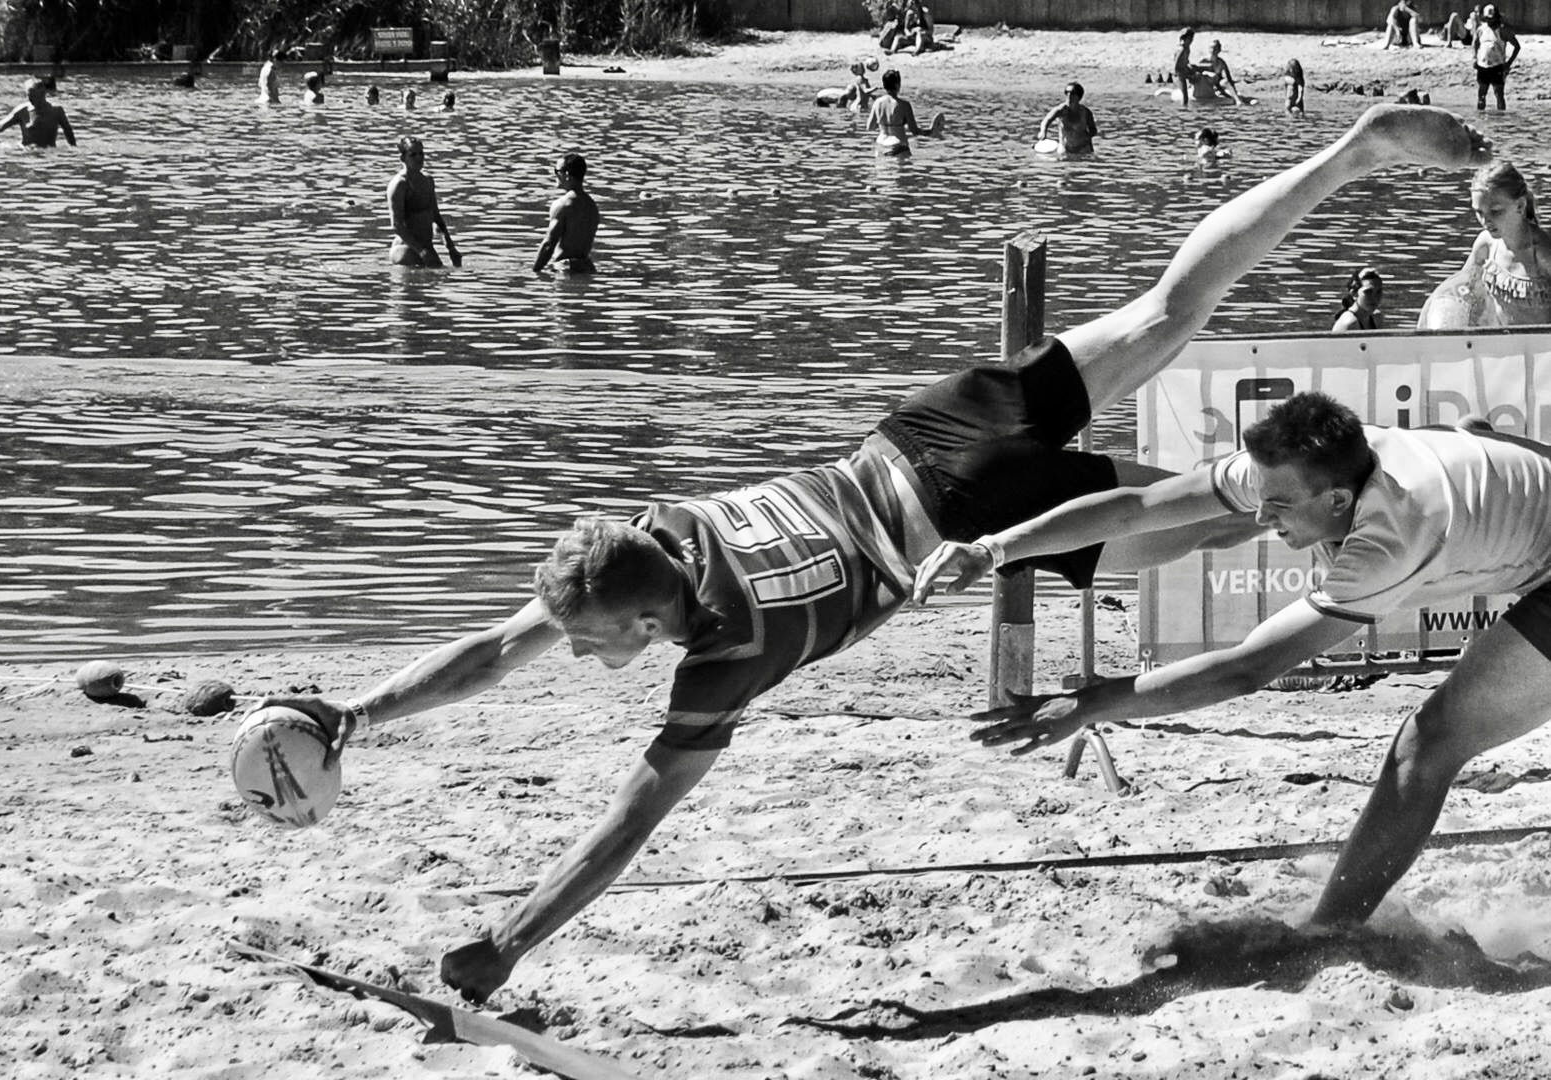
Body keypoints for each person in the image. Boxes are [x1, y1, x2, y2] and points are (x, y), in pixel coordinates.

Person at [256, 105, 1490, 1005]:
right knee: (1171, 312)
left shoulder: (727, 656)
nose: (571, 653)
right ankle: (1352, 156)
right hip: (924, 424)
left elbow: (625, 829)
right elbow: (497, 642)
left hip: (957, 513)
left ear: (644, 624)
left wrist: (510, 941)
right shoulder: (657, 534)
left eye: (586, 643)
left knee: (1229, 516)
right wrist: (353, 713)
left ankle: (1410, 470)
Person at [913, 385, 1551, 932]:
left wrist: (1091, 701)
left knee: (1428, 744)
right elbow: (1137, 510)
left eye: (1278, 508)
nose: (1263, 517)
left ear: (1335, 501)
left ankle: (1330, 934)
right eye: (1261, 499)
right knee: (1469, 434)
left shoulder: (1391, 539)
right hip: (1520, 515)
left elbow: (1249, 670)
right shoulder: (1294, 471)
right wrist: (993, 549)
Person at [1418, 162, 1551, 328]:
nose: (1486, 221)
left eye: (1495, 211)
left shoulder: (1543, 252)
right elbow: (1462, 293)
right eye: (1479, 212)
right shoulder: (1486, 245)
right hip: (1498, 347)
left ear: (1520, 205)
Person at [387, 136, 461, 268]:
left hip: (427, 247)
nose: (419, 158)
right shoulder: (400, 184)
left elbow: (437, 218)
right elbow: (397, 225)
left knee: (440, 280)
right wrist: (421, 251)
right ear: (403, 158)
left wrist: (451, 248)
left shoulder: (428, 181)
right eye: (413, 154)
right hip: (406, 249)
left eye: (421, 153)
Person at [533, 152, 599, 273]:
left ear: (567, 174)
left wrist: (534, 272)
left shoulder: (563, 205)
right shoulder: (592, 205)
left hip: (566, 268)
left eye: (557, 171)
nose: (555, 175)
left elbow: (548, 244)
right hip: (588, 267)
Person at [0, 77, 75, 147]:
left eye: (35, 95)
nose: (32, 99)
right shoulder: (22, 111)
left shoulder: (56, 111)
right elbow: (0, 126)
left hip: (48, 153)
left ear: (43, 93)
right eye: (29, 96)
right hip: (27, 153)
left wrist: (73, 150)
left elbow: (68, 131)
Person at [866, 68, 944, 155]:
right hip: (898, 146)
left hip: (880, 145)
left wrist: (884, 123)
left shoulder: (877, 103)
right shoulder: (904, 105)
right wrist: (930, 131)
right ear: (897, 85)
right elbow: (915, 131)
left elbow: (870, 127)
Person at [1473, 4, 1521, 111]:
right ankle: (1481, 116)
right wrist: (1475, 58)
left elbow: (1517, 46)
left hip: (1498, 66)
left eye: (1492, 19)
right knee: (1481, 95)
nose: (1490, 21)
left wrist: (1508, 63)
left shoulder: (1503, 30)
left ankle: (1501, 120)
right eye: (1487, 19)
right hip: (1482, 65)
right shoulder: (1481, 29)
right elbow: (1476, 43)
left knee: (1499, 95)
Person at [1038, 82, 1098, 155]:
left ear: (1079, 96)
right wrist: (1043, 132)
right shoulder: (1060, 110)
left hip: (1083, 148)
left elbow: (1093, 130)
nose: (1069, 96)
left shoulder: (1086, 112)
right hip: (1065, 148)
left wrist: (1086, 137)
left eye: (1072, 93)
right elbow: (1046, 121)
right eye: (1067, 92)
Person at [1332, 266, 1385, 331]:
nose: (1375, 297)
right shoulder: (1349, 323)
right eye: (1368, 292)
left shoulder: (1377, 318)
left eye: (1378, 292)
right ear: (1354, 294)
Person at [1172, 27, 1200, 107]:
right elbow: (1176, 61)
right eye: (1190, 39)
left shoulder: (1187, 48)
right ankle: (1184, 108)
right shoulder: (1182, 49)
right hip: (1180, 72)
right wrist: (1175, 72)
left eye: (1192, 39)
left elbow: (1186, 60)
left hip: (1184, 69)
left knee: (1197, 73)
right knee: (1185, 97)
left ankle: (1192, 87)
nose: (1191, 41)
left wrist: (1190, 67)